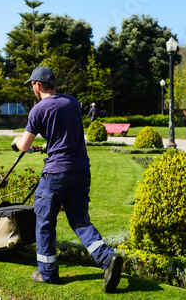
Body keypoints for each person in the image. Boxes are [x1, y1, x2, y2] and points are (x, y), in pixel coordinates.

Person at [11, 66, 123, 293]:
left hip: (56, 173)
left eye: (32, 84)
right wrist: (46, 147)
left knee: (44, 220)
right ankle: (107, 258)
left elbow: (23, 145)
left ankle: (47, 273)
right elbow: (64, 134)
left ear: (38, 85)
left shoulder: (38, 109)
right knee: (80, 221)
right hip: (81, 170)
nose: (32, 88)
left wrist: (16, 141)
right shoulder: (72, 102)